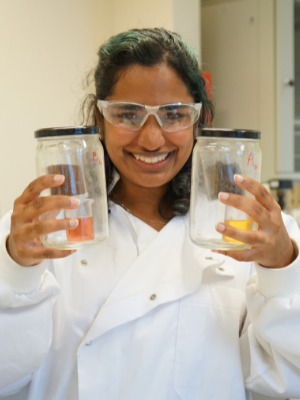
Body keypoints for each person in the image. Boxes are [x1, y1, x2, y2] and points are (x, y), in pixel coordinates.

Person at [0, 28, 300, 400]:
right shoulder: (42, 232)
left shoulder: (257, 236)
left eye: (174, 114)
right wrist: (15, 270)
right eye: (128, 114)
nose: (152, 139)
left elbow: (287, 378)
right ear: (100, 117)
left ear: (198, 118)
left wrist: (283, 271)